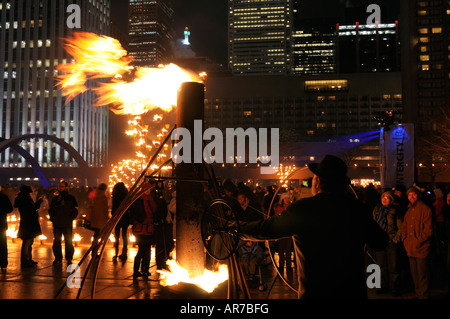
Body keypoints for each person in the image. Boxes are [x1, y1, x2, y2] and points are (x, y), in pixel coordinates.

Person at [239, 154, 389, 299]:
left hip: (315, 293)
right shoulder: (358, 210)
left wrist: (236, 230)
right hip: (351, 293)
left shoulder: (303, 209)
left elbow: (266, 229)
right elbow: (380, 242)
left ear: (317, 182)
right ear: (343, 186)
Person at [401, 187, 433, 299]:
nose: (411, 197)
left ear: (418, 195)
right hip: (410, 248)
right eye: (409, 195)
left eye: (413, 194)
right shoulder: (409, 210)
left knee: (422, 275)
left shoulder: (425, 209)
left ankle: (423, 295)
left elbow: (428, 231)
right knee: (414, 275)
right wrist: (405, 240)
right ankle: (418, 293)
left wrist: (417, 241)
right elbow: (404, 227)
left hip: (422, 249)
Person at [372, 191, 402, 296]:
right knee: (380, 265)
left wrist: (395, 239)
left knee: (393, 266)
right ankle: (383, 286)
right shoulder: (377, 210)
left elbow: (400, 227)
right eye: (383, 197)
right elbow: (373, 224)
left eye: (387, 197)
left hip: (391, 240)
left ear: (391, 200)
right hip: (380, 241)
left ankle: (394, 288)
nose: (384, 199)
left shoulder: (394, 211)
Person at [130, 183, 157, 278]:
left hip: (148, 229)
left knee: (147, 250)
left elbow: (154, 211)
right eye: (146, 189)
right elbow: (136, 213)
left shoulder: (151, 199)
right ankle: (136, 270)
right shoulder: (139, 200)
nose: (148, 191)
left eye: (149, 189)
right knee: (141, 250)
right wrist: (142, 220)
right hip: (141, 229)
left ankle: (145, 269)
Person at [48, 181, 78, 265]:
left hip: (67, 223)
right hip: (57, 223)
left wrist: (70, 218)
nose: (60, 188)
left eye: (62, 187)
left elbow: (75, 210)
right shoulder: (55, 199)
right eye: (60, 186)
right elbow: (50, 210)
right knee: (57, 241)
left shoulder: (71, 198)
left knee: (68, 241)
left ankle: (68, 257)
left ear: (66, 187)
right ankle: (58, 258)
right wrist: (53, 218)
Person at [14, 185, 43, 268]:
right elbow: (32, 208)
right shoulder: (25, 199)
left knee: (29, 242)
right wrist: (39, 201)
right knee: (27, 243)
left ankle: (29, 260)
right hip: (28, 223)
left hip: (27, 223)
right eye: (30, 192)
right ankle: (25, 261)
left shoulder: (22, 198)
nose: (31, 193)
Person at [86, 183, 110, 251]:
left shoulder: (94, 195)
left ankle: (94, 248)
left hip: (94, 218)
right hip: (100, 219)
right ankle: (95, 249)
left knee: (96, 235)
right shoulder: (103, 197)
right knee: (99, 235)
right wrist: (107, 217)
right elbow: (105, 209)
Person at [274, 192, 294, 271]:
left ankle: (289, 265)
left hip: (288, 231)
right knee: (281, 249)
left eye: (288, 198)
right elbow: (276, 218)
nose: (287, 200)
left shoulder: (291, 208)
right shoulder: (279, 208)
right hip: (281, 231)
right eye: (285, 198)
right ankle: (281, 265)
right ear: (282, 199)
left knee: (288, 249)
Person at [111, 182, 130, 261]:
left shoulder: (115, 196)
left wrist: (113, 214)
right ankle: (124, 252)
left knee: (117, 236)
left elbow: (114, 207)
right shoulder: (126, 196)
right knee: (124, 235)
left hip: (117, 217)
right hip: (125, 216)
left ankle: (116, 253)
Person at [0, 185, 14, 270]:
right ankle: (3, 264)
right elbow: (10, 209)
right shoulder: (4, 197)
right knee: (2, 244)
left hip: (1, 224)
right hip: (1, 224)